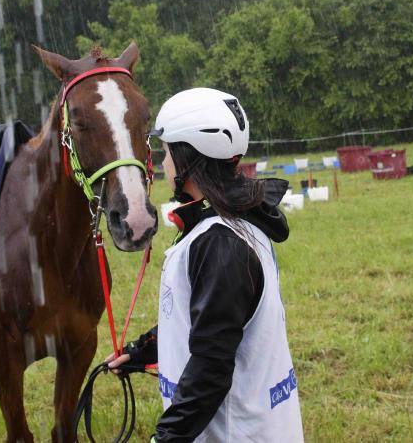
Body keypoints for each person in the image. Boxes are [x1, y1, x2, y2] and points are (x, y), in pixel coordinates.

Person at [105, 88, 304, 442]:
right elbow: (209, 320)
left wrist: (165, 438)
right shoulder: (235, 223)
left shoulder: (220, 243)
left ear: (188, 158)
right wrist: (141, 352)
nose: (161, 164)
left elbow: (211, 368)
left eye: (165, 152)